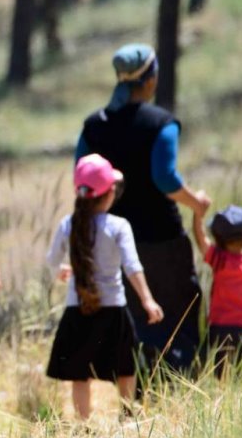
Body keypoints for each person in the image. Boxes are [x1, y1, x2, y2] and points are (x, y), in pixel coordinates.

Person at [77, 44, 210, 373]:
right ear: (150, 80)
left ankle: (134, 386)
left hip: (110, 238)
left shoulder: (94, 125)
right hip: (160, 238)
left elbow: (79, 177)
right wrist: (198, 204)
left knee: (130, 315)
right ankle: (177, 385)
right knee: (175, 313)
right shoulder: (161, 123)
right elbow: (164, 178)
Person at [45, 155, 164, 420]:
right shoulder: (118, 226)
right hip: (113, 308)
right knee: (126, 368)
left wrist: (61, 271)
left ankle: (83, 424)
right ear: (109, 193)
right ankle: (127, 417)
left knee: (79, 373)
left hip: (78, 309)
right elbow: (132, 266)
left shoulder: (68, 224)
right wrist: (147, 299)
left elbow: (51, 259)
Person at [192, 205, 242, 375]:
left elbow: (201, 239)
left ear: (218, 239)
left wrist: (197, 214)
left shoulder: (219, 260)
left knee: (222, 376)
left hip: (222, 328)